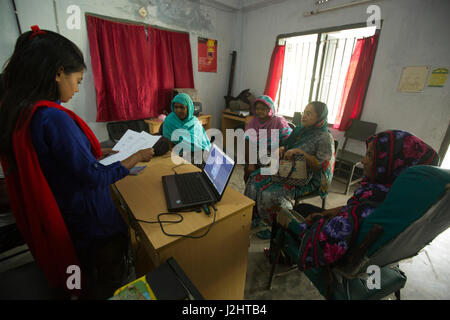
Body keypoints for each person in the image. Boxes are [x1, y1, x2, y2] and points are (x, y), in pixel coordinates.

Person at [0, 26, 155, 299]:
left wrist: (94, 155)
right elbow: (92, 178)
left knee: (85, 270)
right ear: (59, 72)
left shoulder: (22, 110)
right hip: (92, 222)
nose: (77, 88)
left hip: (65, 214)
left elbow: (60, 163)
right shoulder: (53, 117)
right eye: (78, 79)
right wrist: (135, 157)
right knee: (104, 278)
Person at [274, 130, 439, 270]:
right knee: (303, 208)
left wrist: (311, 222)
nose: (363, 160)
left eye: (371, 156)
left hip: (347, 258)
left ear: (390, 163)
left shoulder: (372, 202)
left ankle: (283, 256)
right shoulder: (400, 196)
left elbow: (329, 244)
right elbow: (354, 211)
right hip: (376, 255)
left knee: (287, 212)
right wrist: (339, 210)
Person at [244, 101, 335, 239]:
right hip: (287, 168)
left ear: (320, 117)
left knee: (269, 193)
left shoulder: (324, 137)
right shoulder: (299, 130)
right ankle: (254, 216)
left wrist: (300, 153)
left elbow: (320, 166)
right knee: (254, 179)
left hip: (307, 178)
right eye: (304, 112)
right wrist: (282, 148)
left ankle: (276, 225)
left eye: (309, 113)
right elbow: (286, 145)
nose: (304, 116)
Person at [243, 95, 292, 182]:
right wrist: (251, 163)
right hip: (256, 155)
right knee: (248, 171)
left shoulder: (278, 121)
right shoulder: (254, 122)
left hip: (275, 155)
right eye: (257, 108)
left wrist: (283, 147)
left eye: (263, 109)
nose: (259, 111)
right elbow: (248, 142)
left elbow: (290, 138)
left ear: (270, 108)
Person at [162, 93, 211, 160]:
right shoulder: (169, 121)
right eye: (176, 107)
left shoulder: (195, 122)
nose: (178, 110)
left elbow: (201, 143)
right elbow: (168, 143)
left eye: (182, 107)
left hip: (199, 152)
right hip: (178, 155)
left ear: (189, 108)